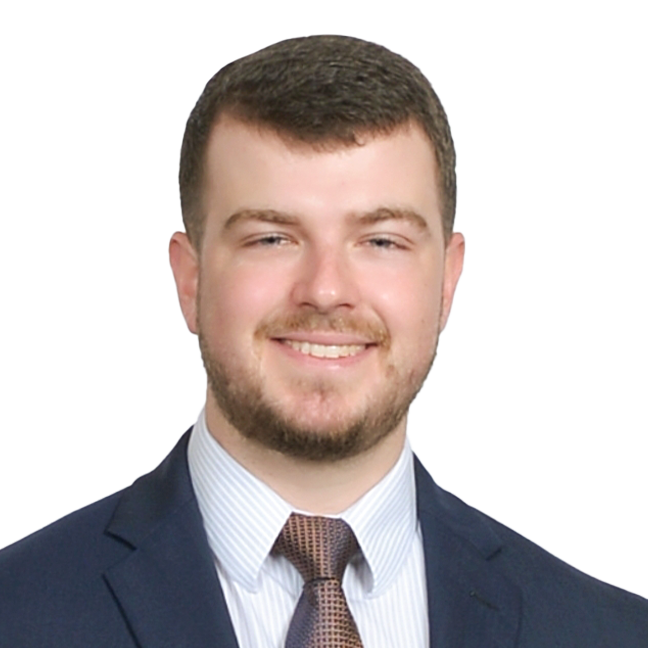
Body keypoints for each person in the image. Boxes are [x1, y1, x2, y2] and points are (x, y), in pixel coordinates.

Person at [0, 33, 646, 648]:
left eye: (382, 241)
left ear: (447, 281)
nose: (326, 290)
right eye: (271, 238)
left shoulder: (608, 632)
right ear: (190, 278)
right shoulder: (17, 611)